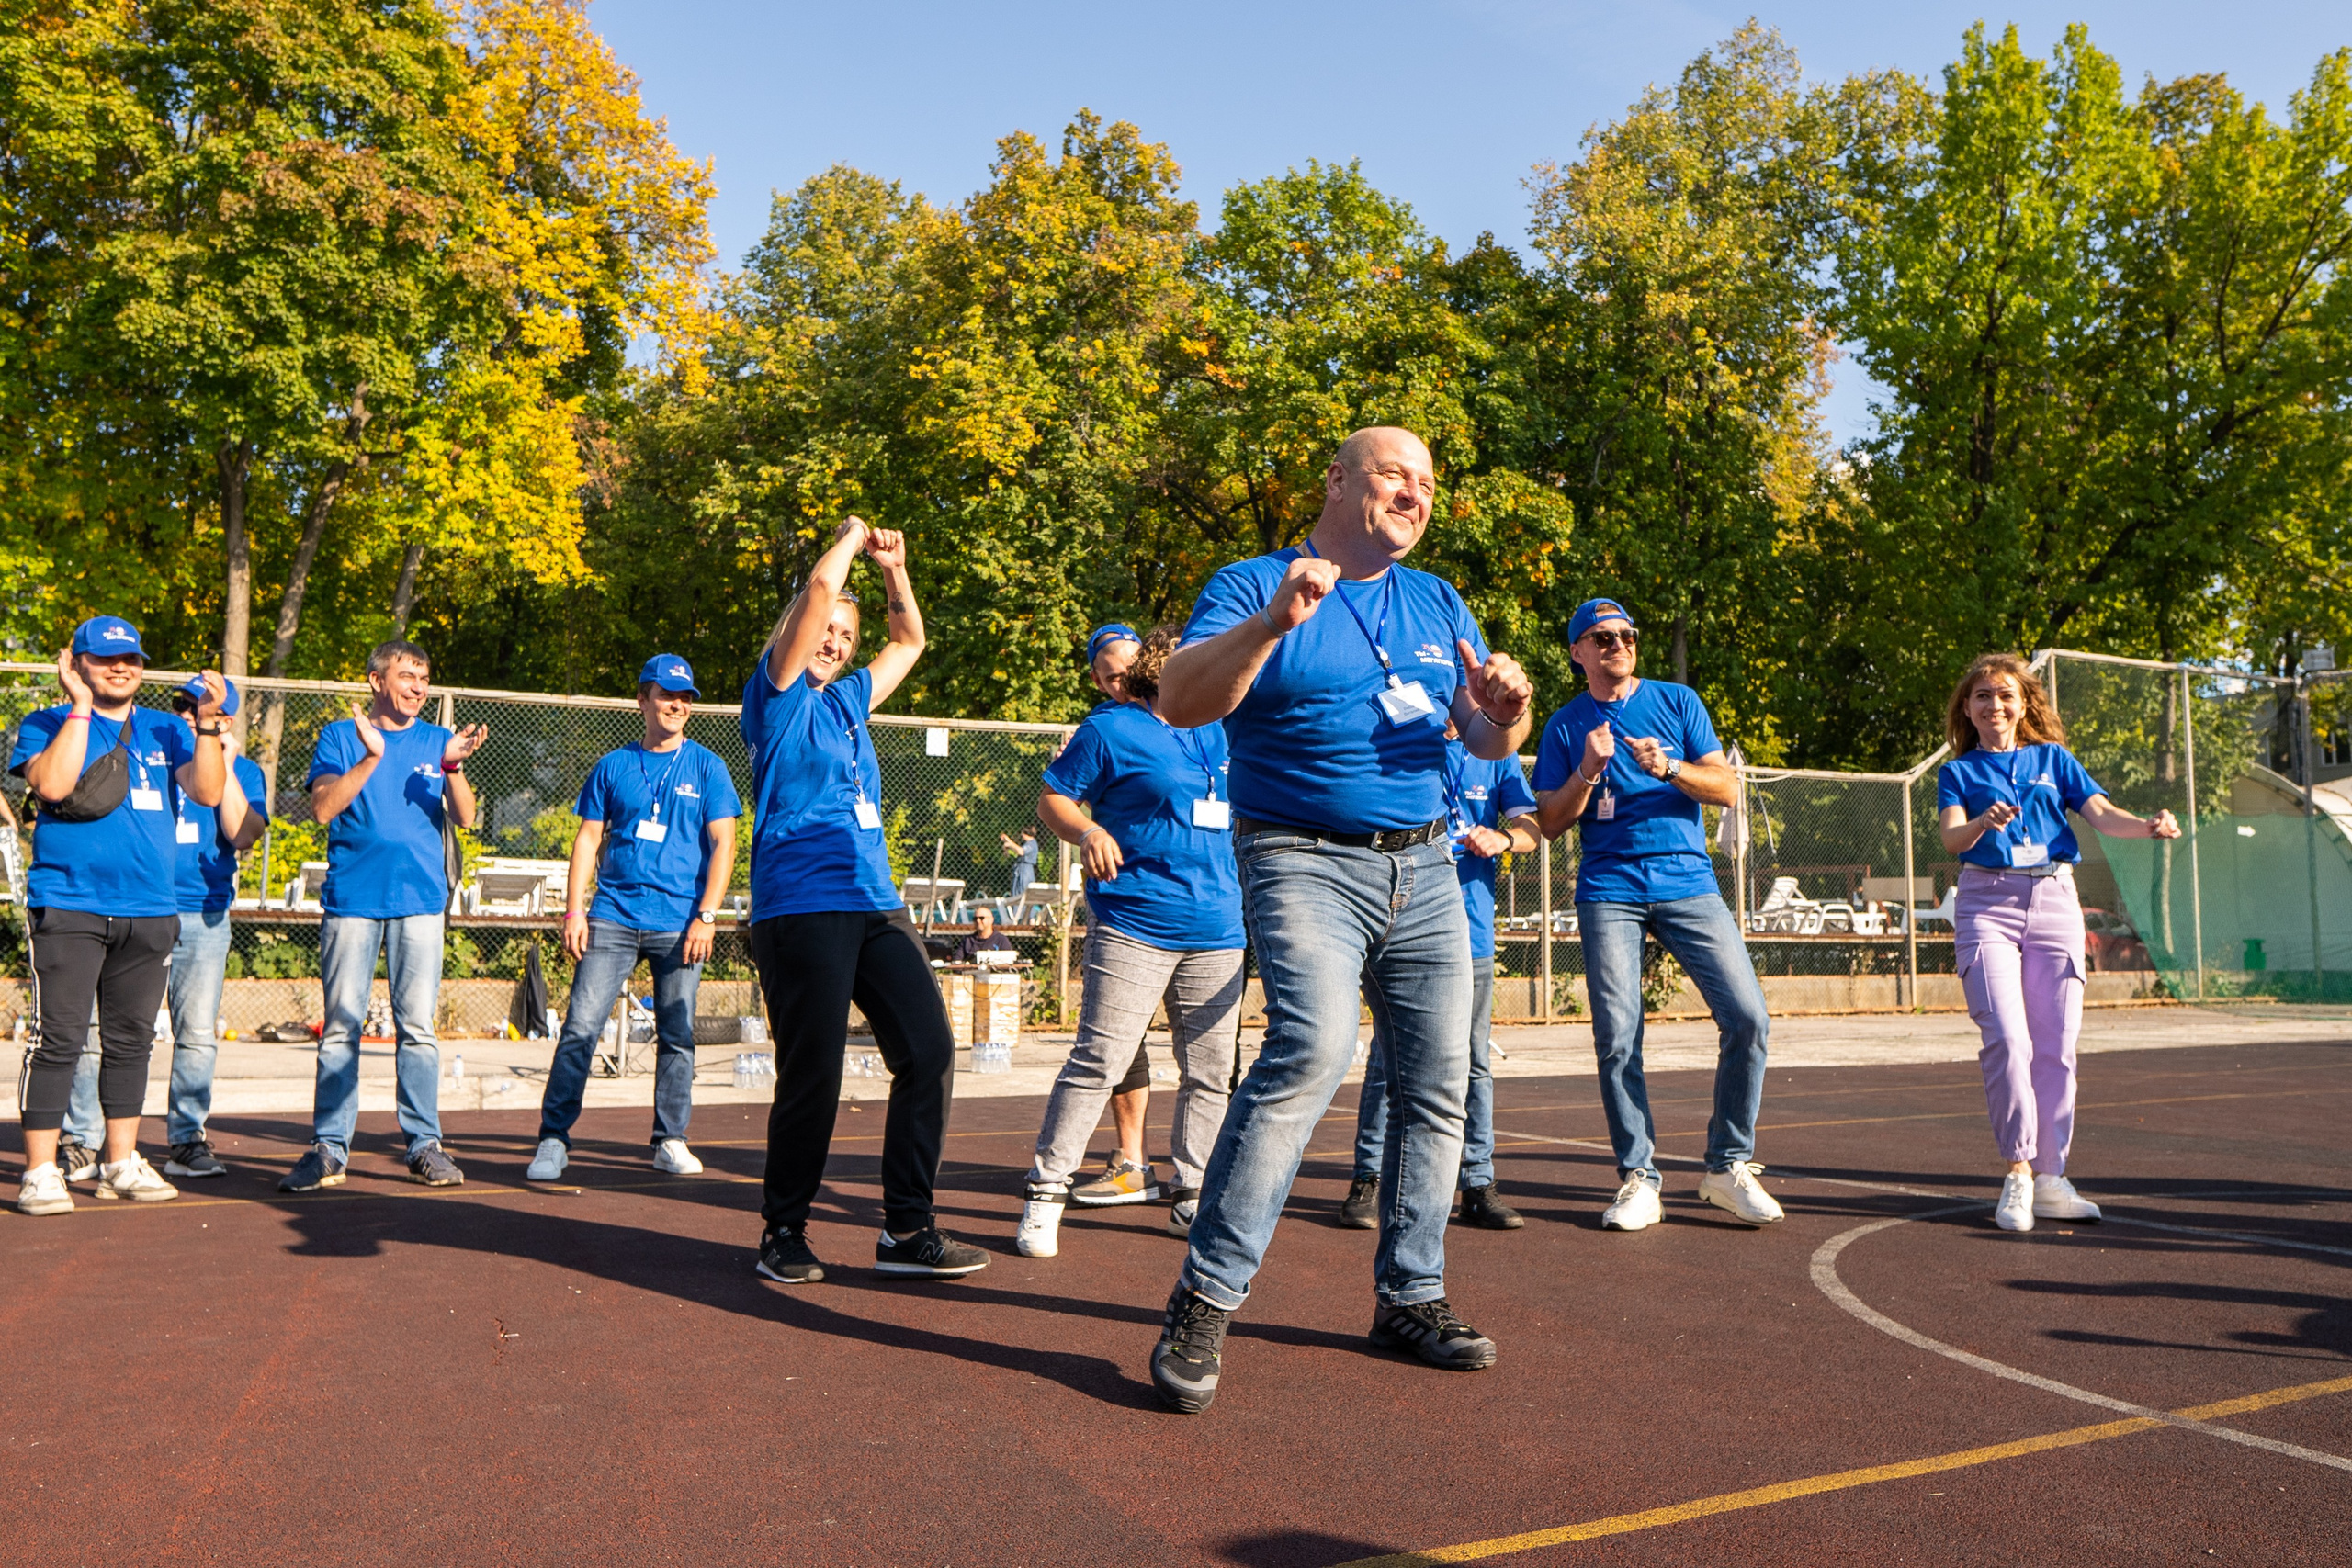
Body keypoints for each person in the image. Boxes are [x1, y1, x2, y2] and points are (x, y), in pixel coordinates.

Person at [1144, 426, 1534, 1414]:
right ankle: (1205, 1297)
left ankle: (1411, 1294)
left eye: (1429, 482)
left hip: (1428, 864)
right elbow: (1182, 702)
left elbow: (1482, 739)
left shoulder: (1437, 598)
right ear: (1337, 480)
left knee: (1438, 1083)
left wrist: (1505, 709)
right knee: (1310, 1053)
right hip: (1300, 856)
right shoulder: (1251, 581)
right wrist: (1274, 623)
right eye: (1396, 474)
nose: (1416, 493)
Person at [741, 517, 986, 1284]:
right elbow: (817, 588)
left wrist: (893, 570)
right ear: (798, 631)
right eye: (828, 630)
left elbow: (909, 640)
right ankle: (783, 1230)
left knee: (929, 1048)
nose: (837, 641)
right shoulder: (775, 693)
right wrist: (849, 536)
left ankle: (907, 1229)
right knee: (814, 1070)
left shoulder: (849, 702)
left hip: (874, 900)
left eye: (847, 634)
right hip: (800, 901)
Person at [1532, 598, 1782, 1233]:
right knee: (1618, 1032)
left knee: (1748, 1016)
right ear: (1578, 653)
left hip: (1686, 879)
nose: (1618, 644)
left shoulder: (1678, 700)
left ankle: (1727, 1166)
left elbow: (1727, 788)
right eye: (1602, 637)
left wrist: (1668, 767)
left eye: (1627, 635)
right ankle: (1639, 1176)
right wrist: (1588, 771)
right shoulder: (1565, 725)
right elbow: (1552, 822)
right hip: (1608, 885)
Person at [1016, 624, 1248, 1258]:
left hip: (1220, 926)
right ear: (1162, 667)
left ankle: (1194, 1192)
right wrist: (1087, 831)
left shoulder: (1225, 726)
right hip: (1136, 922)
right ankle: (1046, 1191)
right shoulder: (1111, 728)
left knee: (1210, 1072)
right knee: (1099, 1060)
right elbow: (1054, 799)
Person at [1937, 653, 2178, 1232]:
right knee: (2008, 1041)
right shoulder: (1960, 772)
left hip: (2054, 901)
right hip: (1986, 904)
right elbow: (1951, 838)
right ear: (1967, 710)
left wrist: (2146, 826)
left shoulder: (2054, 760)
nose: (1994, 705)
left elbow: (2101, 813)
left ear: (2024, 706)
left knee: (2057, 1047)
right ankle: (2018, 1173)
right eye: (1982, 697)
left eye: (2005, 696)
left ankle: (2052, 1178)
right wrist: (1981, 824)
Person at [11, 617, 227, 1216]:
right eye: (105, 658)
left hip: (152, 909)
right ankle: (41, 1170)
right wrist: (80, 706)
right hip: (70, 903)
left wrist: (207, 723)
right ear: (77, 663)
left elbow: (208, 792)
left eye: (130, 657)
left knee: (131, 1042)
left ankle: (119, 1161)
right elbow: (53, 785)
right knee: (59, 1040)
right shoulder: (45, 723)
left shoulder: (164, 727)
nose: (120, 666)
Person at [280, 641, 487, 1192]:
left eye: (424, 677)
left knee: (416, 1029)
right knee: (341, 1030)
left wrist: (453, 766)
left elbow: (465, 817)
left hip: (420, 901)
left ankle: (425, 1145)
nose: (419, 686)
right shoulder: (339, 736)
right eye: (407, 675)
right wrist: (371, 756)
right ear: (376, 681)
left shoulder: (438, 740)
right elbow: (323, 808)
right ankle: (329, 1147)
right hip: (352, 900)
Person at [526, 656, 741, 1183]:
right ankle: (554, 1139)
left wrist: (707, 916)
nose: (677, 704)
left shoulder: (709, 767)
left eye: (686, 697)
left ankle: (670, 1139)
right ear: (642, 699)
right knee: (580, 1026)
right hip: (613, 915)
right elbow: (587, 840)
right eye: (667, 694)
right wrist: (575, 909)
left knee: (677, 1034)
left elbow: (724, 844)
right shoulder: (612, 766)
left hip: (681, 923)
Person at [1342, 722, 1539, 1231]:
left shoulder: (1496, 750)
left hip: (1469, 932)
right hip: (1397, 926)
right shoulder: (1397, 735)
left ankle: (1477, 1182)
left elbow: (1531, 831)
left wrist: (1503, 837)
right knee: (1389, 1060)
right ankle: (1368, 1179)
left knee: (1474, 1061)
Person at [163, 675, 266, 1178]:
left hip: (203, 912)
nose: (186, 713)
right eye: (181, 704)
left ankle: (186, 1139)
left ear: (223, 718)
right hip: (142, 908)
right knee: (111, 1032)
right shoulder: (152, 756)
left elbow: (241, 834)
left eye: (199, 707)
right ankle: (85, 1139)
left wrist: (223, 763)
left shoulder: (243, 770)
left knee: (197, 1034)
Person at [998, 825, 1042, 918]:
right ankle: (1017, 916)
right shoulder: (1028, 844)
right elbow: (1017, 849)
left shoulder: (1032, 844)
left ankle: (1027, 917)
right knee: (1017, 893)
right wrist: (1007, 841)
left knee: (1023, 894)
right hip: (1021, 870)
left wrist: (1009, 843)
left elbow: (1021, 851)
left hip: (1025, 871)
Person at [950, 904, 1015, 964]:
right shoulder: (967, 941)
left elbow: (1009, 963)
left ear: (991, 920)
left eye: (981, 918)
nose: (978, 921)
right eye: (975, 919)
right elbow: (957, 963)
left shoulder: (1001, 940)